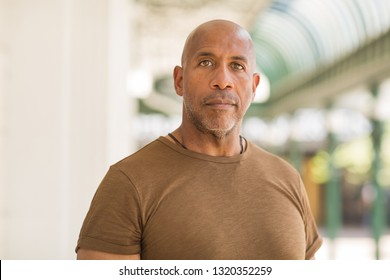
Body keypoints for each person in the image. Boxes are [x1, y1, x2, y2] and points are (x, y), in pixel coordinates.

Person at [76, 19, 322, 260]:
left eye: (237, 66)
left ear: (254, 86)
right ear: (179, 81)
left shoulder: (287, 178)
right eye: (206, 62)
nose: (223, 80)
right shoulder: (129, 183)